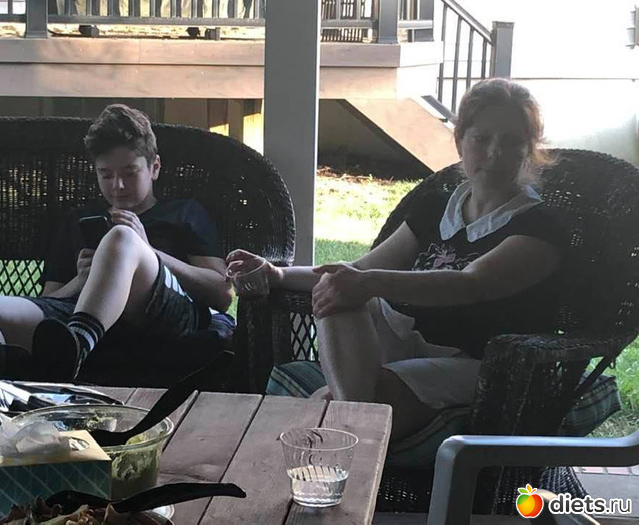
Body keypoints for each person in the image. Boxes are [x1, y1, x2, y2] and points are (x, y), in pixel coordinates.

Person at [227, 78, 564, 442]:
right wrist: (276, 274)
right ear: (460, 141)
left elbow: (472, 283)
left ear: (529, 149)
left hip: (482, 363)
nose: (495, 152)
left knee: (339, 397)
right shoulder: (438, 206)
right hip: (409, 342)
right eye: (482, 139)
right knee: (336, 285)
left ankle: (341, 412)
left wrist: (370, 283)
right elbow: (360, 270)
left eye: (511, 141)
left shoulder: (540, 226)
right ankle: (350, 409)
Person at [0, 104, 233, 380]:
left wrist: (148, 252)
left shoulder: (184, 213)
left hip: (163, 314)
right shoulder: (79, 220)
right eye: (106, 175)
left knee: (121, 238)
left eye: (130, 173)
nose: (118, 185)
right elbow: (51, 299)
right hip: (80, 315)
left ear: (154, 167)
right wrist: (83, 280)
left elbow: (221, 293)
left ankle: (75, 350)